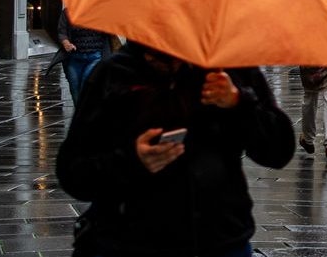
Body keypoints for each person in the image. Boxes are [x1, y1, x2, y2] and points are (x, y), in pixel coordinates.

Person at [57, 41, 294, 257]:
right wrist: (131, 161)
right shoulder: (115, 73)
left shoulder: (230, 69)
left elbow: (278, 151)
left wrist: (239, 103)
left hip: (220, 240)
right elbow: (73, 171)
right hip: (129, 241)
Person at [57, 9, 112, 104]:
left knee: (85, 87)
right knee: (74, 89)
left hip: (95, 57)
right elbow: (62, 32)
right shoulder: (68, 12)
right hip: (73, 58)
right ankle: (80, 114)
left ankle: (84, 115)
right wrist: (66, 43)